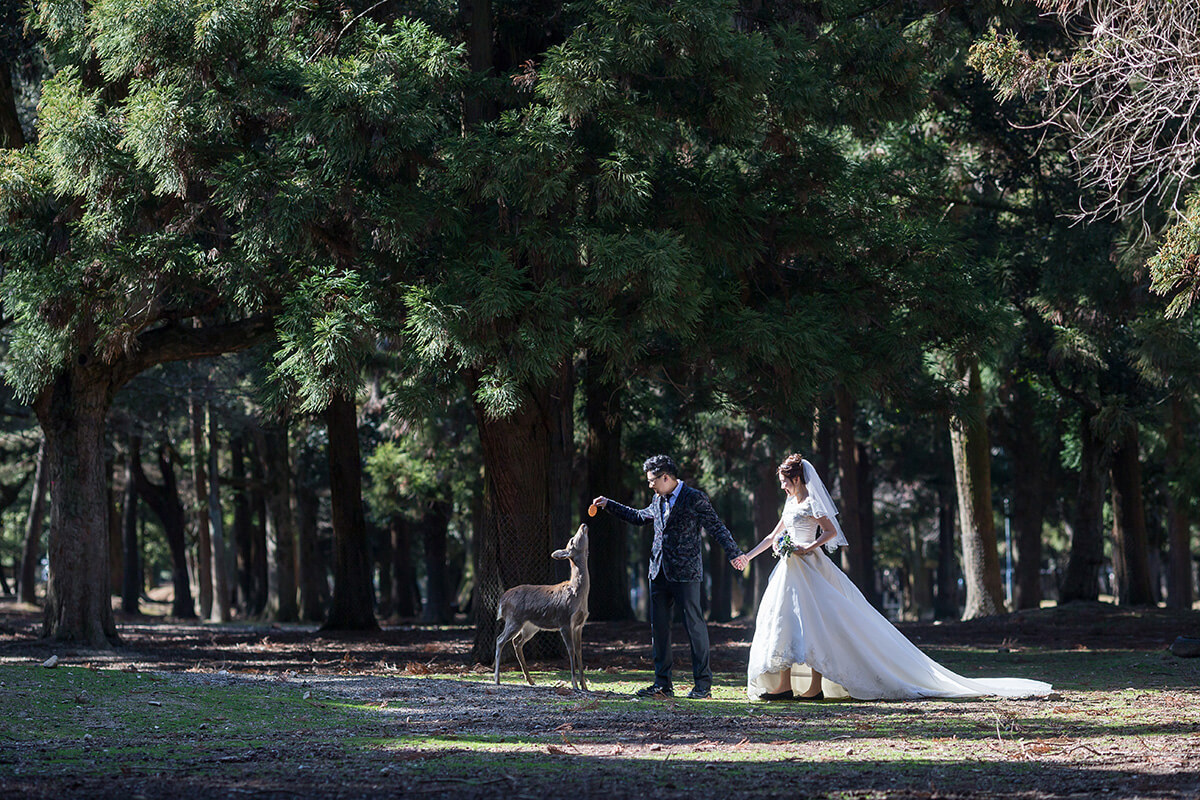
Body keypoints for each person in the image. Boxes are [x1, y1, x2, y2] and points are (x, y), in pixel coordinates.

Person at [743, 453, 1052, 702]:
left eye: (784, 482)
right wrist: (747, 557)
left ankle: (814, 687)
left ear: (795, 478)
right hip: (788, 571)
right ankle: (783, 685)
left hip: (811, 568)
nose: (782, 487)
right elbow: (773, 537)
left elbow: (832, 532)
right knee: (783, 622)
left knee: (818, 624)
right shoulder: (790, 503)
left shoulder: (811, 503)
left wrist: (806, 547)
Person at [593, 455, 749, 699]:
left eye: (652, 480)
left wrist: (734, 553)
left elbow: (716, 526)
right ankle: (662, 684)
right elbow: (638, 517)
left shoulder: (694, 498)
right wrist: (609, 504)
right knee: (660, 630)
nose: (650, 485)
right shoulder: (657, 499)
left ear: (666, 477)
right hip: (658, 572)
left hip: (686, 574)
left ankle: (702, 686)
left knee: (694, 627)